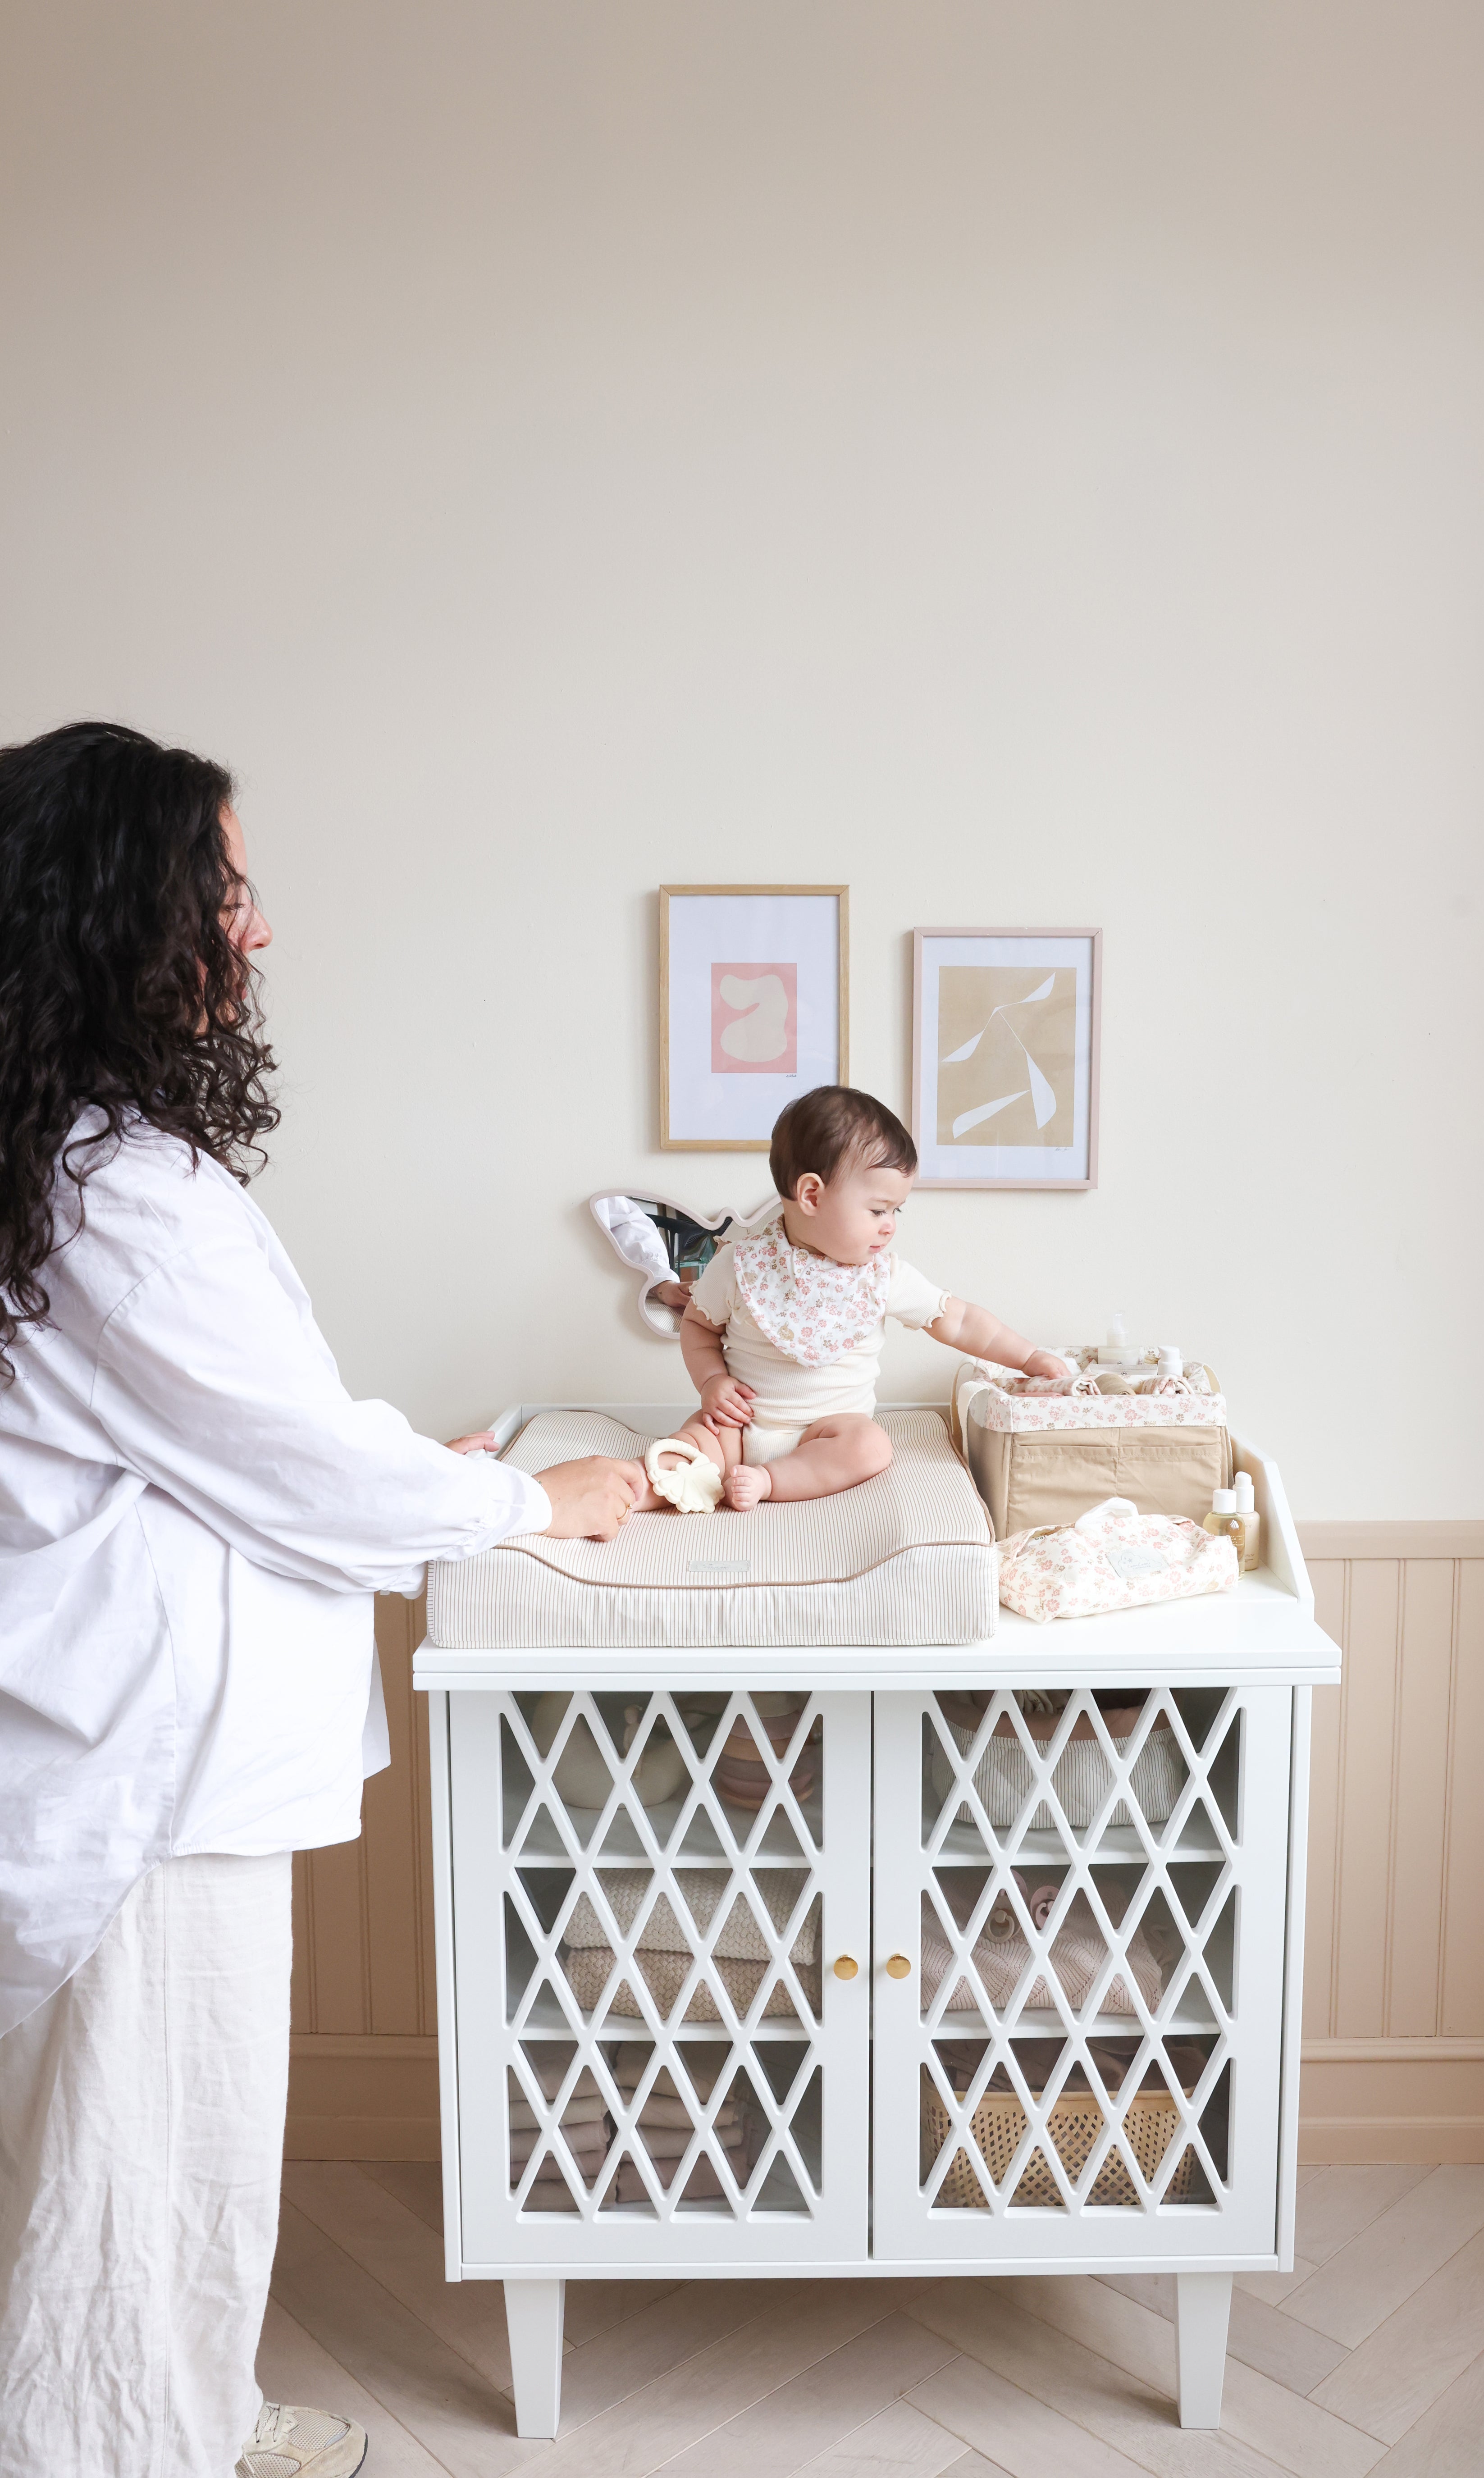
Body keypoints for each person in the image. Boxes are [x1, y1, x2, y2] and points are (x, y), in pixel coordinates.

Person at [0, 722, 645, 2478]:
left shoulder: (82, 1162)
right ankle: (126, 2445)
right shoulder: (113, 1191)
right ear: (115, 915)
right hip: (160, 1760)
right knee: (145, 2157)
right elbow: (292, 1462)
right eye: (223, 888)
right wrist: (536, 1496)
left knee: (144, 2148)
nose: (255, 928)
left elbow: (231, 1438)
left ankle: (168, 2419)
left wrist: (387, 1464)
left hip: (149, 1741)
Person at [638, 1083, 1069, 1512]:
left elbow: (962, 1322)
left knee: (871, 1446)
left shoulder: (885, 1276)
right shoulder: (739, 1265)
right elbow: (697, 1326)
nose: (890, 1226)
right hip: (740, 1425)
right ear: (812, 1195)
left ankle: (770, 1481)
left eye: (896, 1211)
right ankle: (638, 1490)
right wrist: (712, 1381)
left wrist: (1029, 1358)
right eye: (879, 1209)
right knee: (694, 1442)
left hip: (827, 1434)